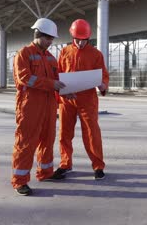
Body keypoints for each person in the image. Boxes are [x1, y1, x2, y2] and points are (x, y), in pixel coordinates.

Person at [11, 18, 66, 196]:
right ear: (38, 35)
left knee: (47, 140)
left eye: (52, 39)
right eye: (48, 38)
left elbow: (57, 81)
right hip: (30, 105)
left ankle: (45, 172)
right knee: (26, 142)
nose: (51, 42)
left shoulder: (51, 58)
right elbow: (25, 78)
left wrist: (67, 91)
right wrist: (51, 84)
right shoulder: (24, 54)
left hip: (49, 105)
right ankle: (20, 181)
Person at [52, 19, 109, 180]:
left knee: (92, 133)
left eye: (83, 39)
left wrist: (103, 85)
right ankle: (65, 164)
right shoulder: (64, 52)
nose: (80, 42)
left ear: (88, 38)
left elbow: (103, 75)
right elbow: (58, 74)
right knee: (64, 134)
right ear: (72, 36)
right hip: (67, 99)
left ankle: (98, 166)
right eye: (77, 39)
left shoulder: (96, 54)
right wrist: (62, 93)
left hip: (88, 99)